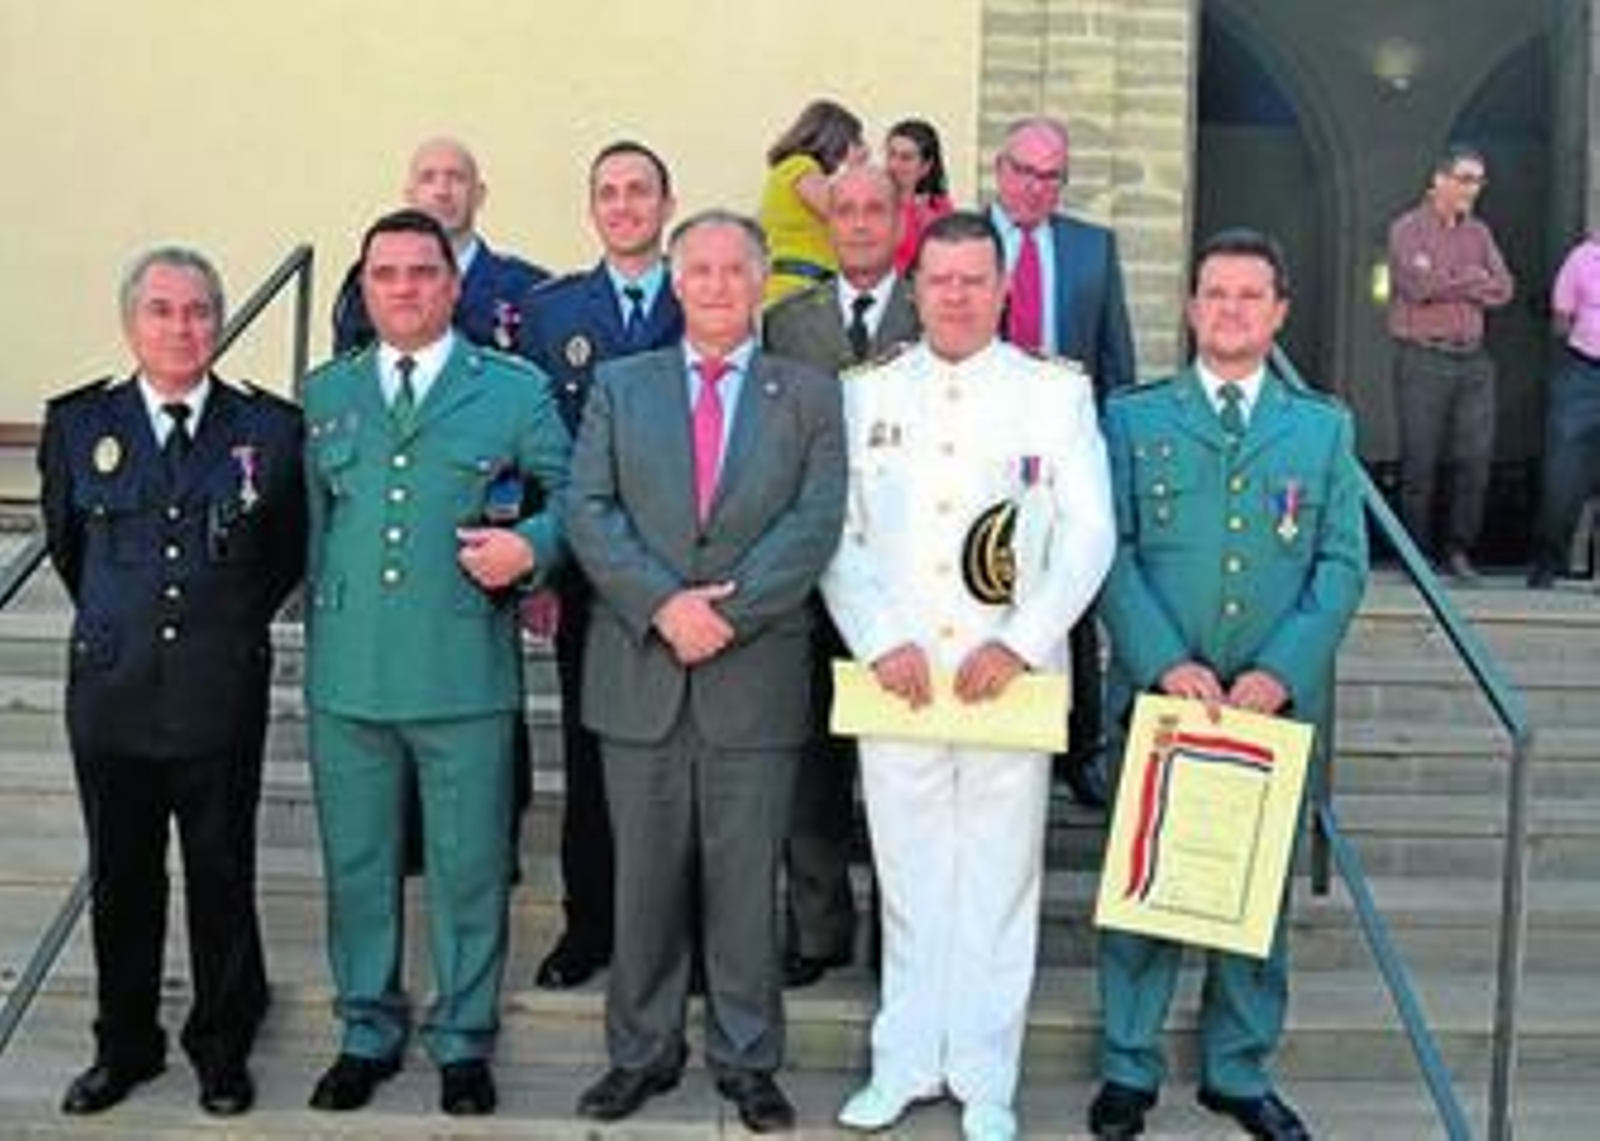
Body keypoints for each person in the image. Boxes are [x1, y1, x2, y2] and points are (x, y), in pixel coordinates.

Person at [823, 211, 1115, 1141]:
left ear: (1003, 288)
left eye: (973, 279)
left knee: (998, 877)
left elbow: (1087, 532)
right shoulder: (865, 393)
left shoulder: (1052, 394)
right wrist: (876, 638)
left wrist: (1023, 640)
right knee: (909, 876)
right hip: (899, 676)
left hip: (1007, 676)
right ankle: (904, 1061)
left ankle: (987, 1072)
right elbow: (841, 531)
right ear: (915, 288)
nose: (955, 295)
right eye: (939, 279)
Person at [568, 209, 846, 1133]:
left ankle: (747, 1056)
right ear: (676, 281)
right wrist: (664, 605)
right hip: (640, 670)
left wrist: (722, 612)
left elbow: (815, 522)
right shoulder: (622, 384)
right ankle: (640, 1053)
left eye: (736, 269)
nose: (718, 284)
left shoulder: (808, 394)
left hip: (754, 675)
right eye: (701, 270)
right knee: (642, 880)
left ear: (761, 283)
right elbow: (588, 508)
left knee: (743, 883)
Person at [1089, 229, 1367, 1141]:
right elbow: (1110, 553)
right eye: (1216, 293)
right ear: (1191, 306)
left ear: (1279, 311)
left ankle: (1237, 1070)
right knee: (1143, 892)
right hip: (1166, 703)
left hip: (1268, 715)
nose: (1233, 309)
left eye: (1252, 295)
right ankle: (1128, 1068)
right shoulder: (1133, 420)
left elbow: (1340, 565)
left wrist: (1280, 674)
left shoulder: (1321, 427)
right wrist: (1162, 660)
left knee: (1254, 902)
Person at [301, 208, 570, 1117]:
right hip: (350, 670)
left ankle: (462, 1038)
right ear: (364, 287)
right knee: (360, 862)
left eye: (424, 272)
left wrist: (531, 547)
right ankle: (366, 1029)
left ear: (455, 286)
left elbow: (577, 492)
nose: (406, 288)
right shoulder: (326, 393)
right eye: (386, 274)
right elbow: (309, 533)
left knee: (466, 866)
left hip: (461, 665)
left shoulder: (512, 389)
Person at [38, 247, 306, 1117]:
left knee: (220, 871)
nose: (182, 327)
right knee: (122, 877)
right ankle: (126, 1045)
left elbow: (280, 558)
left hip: (217, 688)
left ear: (218, 322)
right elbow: (75, 550)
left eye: (197, 311)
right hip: (113, 692)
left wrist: (214, 632)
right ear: (131, 323)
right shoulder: (81, 424)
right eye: (162, 310)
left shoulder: (268, 430)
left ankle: (221, 1046)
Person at [515, 139, 684, 989]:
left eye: (638, 191)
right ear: (593, 210)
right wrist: (541, 573)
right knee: (589, 755)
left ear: (666, 203)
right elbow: (538, 453)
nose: (623, 206)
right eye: (608, 193)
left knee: (682, 757)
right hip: (587, 572)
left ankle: (673, 929)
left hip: (688, 573)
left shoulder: (704, 292)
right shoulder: (553, 313)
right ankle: (590, 926)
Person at [763, 162, 921, 989]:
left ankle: (903, 934)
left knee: (903, 772)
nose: (859, 223)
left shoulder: (936, 310)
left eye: (874, 210)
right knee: (812, 767)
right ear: (829, 224)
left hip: (912, 586)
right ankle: (818, 926)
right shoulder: (788, 324)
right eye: (846, 211)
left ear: (901, 220)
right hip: (812, 577)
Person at [989, 114, 1138, 808]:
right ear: (1000, 168)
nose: (1037, 188)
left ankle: (1079, 751)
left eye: (1052, 176)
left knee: (1072, 601)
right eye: (1025, 171)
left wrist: (1113, 455)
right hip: (977, 448)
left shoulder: (1092, 249)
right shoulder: (959, 241)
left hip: (1062, 451)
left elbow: (1116, 360)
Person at [1386, 143, 1514, 584]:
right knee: (1420, 461)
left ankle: (1458, 551)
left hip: (1473, 362)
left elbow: (1503, 288)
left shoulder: (1479, 233)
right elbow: (1416, 286)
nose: (1472, 189)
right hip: (1422, 357)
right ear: (1438, 180)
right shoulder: (1406, 229)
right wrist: (1470, 280)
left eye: (1478, 181)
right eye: (1464, 179)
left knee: (1475, 460)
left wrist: (1452, 281)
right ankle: (1415, 555)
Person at [331, 136, 548, 354]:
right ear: (410, 196)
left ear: (479, 195)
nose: (442, 191)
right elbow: (352, 376)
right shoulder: (370, 285)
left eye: (456, 178)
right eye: (428, 178)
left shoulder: (529, 288)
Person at [1529, 232, 1600, 587]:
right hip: (1584, 371)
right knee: (1565, 473)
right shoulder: (1581, 259)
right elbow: (1561, 319)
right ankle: (1547, 561)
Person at [758, 98, 867, 306]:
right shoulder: (800, 166)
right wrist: (855, 170)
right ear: (835, 138)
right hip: (798, 286)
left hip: (805, 288)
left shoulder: (792, 170)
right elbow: (843, 216)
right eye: (854, 141)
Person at [884, 118, 953, 275]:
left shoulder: (939, 208)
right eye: (891, 155)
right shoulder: (871, 202)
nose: (894, 165)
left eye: (906, 158)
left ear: (925, 167)